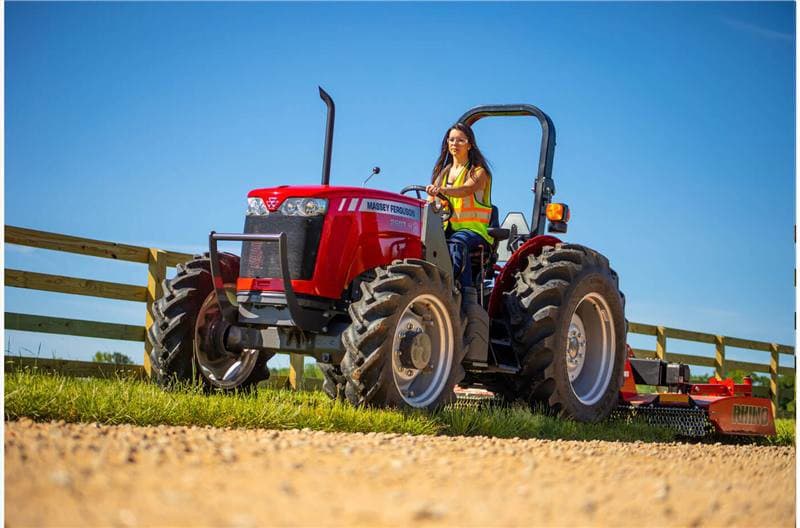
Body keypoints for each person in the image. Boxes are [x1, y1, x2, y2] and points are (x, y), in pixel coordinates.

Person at [426, 122, 493, 290]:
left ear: (470, 145)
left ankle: (465, 293)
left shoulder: (478, 172)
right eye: (452, 140)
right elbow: (430, 201)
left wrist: (441, 190)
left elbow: (466, 189)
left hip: (474, 231)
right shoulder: (443, 173)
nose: (455, 144)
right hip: (446, 227)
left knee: (457, 243)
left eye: (460, 140)